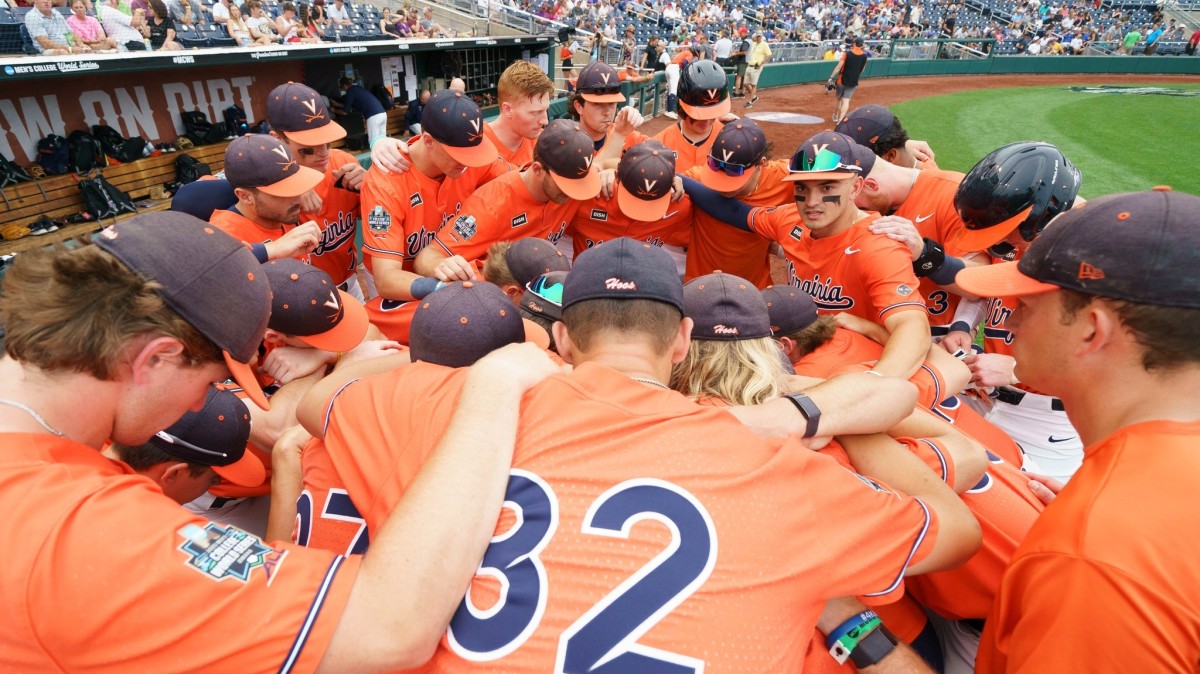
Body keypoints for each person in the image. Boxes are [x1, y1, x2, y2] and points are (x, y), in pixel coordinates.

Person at [299, 237, 981, 672]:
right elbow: (955, 530)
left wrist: (484, 376)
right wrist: (801, 414)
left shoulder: (468, 402)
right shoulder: (777, 467)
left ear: (562, 339)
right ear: (680, 340)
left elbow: (313, 408)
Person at [0, 211, 558, 672]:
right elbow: (385, 628)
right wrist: (492, 388)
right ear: (156, 357)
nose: (199, 405)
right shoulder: (77, 531)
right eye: (211, 382)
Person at [955, 189, 1200, 673]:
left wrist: (856, 633)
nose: (1011, 319)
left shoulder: (1090, 557)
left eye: (1027, 305)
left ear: (1091, 331)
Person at [683, 131, 933, 380]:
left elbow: (913, 328)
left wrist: (874, 383)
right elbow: (735, 212)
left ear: (855, 187)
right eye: (802, 187)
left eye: (827, 187)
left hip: (855, 364)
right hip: (801, 355)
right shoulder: (789, 219)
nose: (812, 202)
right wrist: (678, 180)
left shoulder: (878, 245)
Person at [944, 141, 1083, 480]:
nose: (997, 243)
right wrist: (962, 325)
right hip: (984, 397)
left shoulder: (1090, 261)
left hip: (1047, 424)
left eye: (1003, 233)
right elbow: (986, 288)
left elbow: (1114, 359)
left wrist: (1017, 370)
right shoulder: (1018, 239)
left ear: (1042, 213)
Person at [358, 90, 500, 340]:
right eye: (458, 154)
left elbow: (520, 182)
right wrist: (443, 287)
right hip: (403, 284)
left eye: (472, 152)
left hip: (445, 268)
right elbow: (387, 279)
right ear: (428, 140)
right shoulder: (386, 181)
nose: (468, 162)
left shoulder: (468, 161)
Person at [414, 119, 601, 281]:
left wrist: (607, 172)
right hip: (492, 292)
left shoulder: (574, 190)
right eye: (566, 184)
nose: (574, 192)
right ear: (537, 170)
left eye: (580, 183)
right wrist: (444, 267)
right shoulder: (492, 205)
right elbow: (427, 257)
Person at [266, 82, 367, 296]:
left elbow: (375, 220)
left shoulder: (344, 163)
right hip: (302, 296)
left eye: (327, 142)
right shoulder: (263, 184)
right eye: (308, 148)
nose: (323, 153)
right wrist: (290, 188)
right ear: (278, 140)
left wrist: (371, 189)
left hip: (349, 283)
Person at [107, 386, 266, 505]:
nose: (218, 483)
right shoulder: (132, 526)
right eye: (213, 478)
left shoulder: (93, 453)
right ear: (173, 474)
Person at [210, 134, 325, 264]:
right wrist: (271, 250)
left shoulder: (286, 212)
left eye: (296, 185)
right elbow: (210, 264)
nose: (299, 199)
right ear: (245, 196)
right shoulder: (223, 233)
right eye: (283, 192)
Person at [652, 59, 730, 172]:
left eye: (713, 113)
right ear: (681, 108)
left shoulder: (728, 138)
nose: (707, 120)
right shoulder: (660, 143)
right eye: (700, 115)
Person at [827, 36, 868, 124]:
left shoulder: (847, 54)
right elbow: (862, 70)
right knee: (846, 100)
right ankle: (840, 120)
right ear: (862, 45)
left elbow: (838, 67)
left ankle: (835, 116)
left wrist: (831, 77)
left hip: (841, 80)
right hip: (853, 81)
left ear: (854, 44)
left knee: (838, 99)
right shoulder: (864, 56)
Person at [337, 77, 389, 147]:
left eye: (342, 87)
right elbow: (350, 106)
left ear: (344, 85)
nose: (343, 89)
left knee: (374, 142)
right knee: (382, 140)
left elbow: (344, 112)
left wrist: (334, 110)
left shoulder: (350, 92)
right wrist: (337, 104)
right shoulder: (359, 88)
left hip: (373, 116)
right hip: (383, 114)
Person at [743, 31, 771, 108]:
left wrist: (761, 63)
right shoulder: (754, 44)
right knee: (745, 84)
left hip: (756, 66)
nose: (758, 37)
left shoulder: (764, 44)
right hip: (750, 65)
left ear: (761, 37)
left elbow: (769, 55)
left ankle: (750, 102)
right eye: (757, 36)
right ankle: (754, 97)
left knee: (753, 85)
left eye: (759, 36)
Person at [731, 28, 751, 97]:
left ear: (745, 33)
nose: (740, 35)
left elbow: (744, 52)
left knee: (739, 77)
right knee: (745, 77)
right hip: (749, 61)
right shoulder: (750, 40)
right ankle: (743, 93)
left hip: (743, 61)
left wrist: (735, 53)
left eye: (741, 33)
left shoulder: (746, 41)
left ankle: (736, 92)